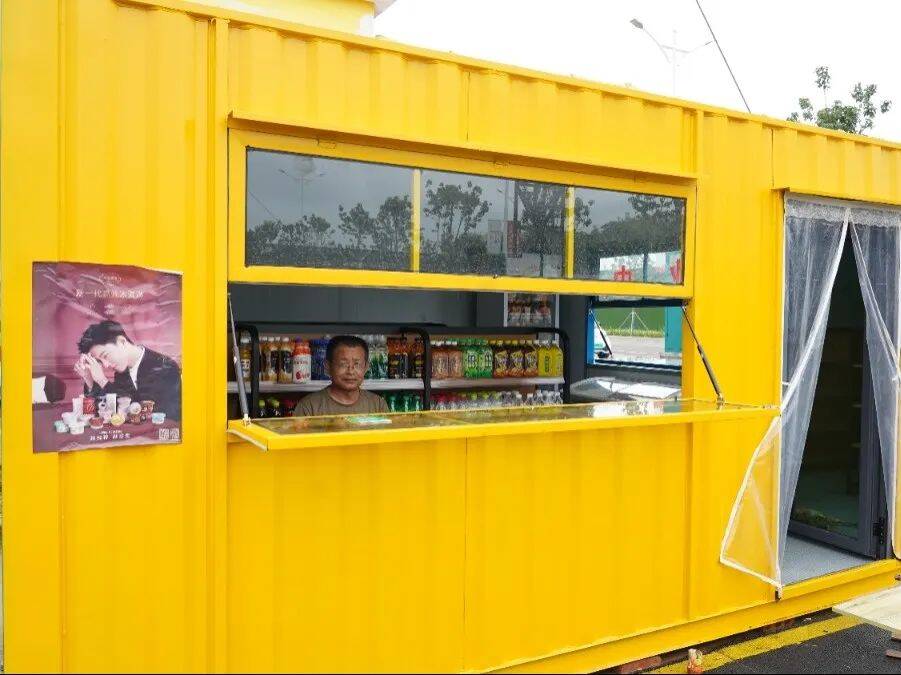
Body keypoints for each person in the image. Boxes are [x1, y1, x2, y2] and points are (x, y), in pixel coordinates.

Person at [75, 320, 182, 421]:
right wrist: (89, 379)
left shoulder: (165, 366)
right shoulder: (121, 373)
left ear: (122, 342)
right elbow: (111, 409)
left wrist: (102, 380)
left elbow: (149, 412)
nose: (106, 365)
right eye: (100, 361)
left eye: (106, 355)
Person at [294, 335, 388, 416]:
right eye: (343, 364)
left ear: (366, 367)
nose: (350, 371)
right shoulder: (309, 407)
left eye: (357, 364)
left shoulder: (378, 405)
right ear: (327, 366)